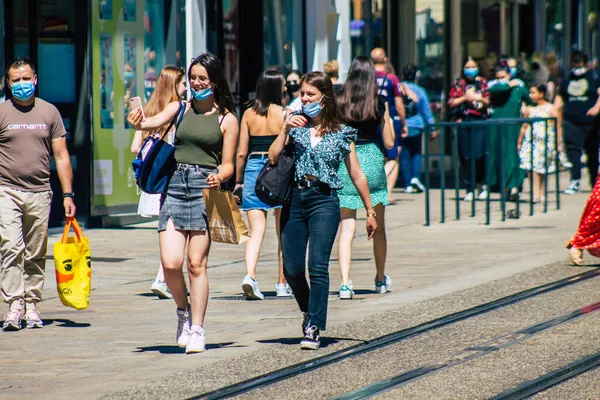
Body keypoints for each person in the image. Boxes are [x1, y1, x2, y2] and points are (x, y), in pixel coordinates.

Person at [127, 53, 239, 354]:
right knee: (171, 263)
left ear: (214, 81)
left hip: (206, 189)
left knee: (195, 263)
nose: (196, 82)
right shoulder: (179, 108)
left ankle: (198, 329)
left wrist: (219, 175)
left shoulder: (227, 118)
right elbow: (149, 123)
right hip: (176, 187)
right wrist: (138, 120)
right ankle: (183, 311)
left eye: (202, 78)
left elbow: (229, 165)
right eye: (193, 77)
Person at [268, 71, 377, 350]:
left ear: (325, 97)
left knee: (317, 266)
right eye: (302, 94)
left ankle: (314, 326)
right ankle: (309, 311)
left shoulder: (341, 132)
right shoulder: (295, 126)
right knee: (292, 269)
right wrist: (285, 131)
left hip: (324, 200)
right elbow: (272, 156)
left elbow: (357, 174)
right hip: (294, 199)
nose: (304, 99)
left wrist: (370, 211)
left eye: (310, 95)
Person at [0, 57, 76, 330]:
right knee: (10, 247)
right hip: (6, 190)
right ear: (7, 83)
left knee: (35, 251)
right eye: (15, 80)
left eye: (25, 78)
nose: (21, 84)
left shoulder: (49, 112)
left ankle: (32, 304)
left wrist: (68, 195)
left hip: (40, 192)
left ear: (35, 79)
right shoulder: (2, 113)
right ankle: (14, 304)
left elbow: (61, 155)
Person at [336, 56, 394, 299]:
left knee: (346, 227)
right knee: (377, 226)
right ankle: (380, 279)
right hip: (371, 159)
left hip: (347, 161)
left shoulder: (339, 101)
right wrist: (387, 117)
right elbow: (390, 143)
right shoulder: (378, 103)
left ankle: (346, 284)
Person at [130, 65, 188, 300]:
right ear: (175, 84)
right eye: (183, 83)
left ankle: (162, 276)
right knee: (178, 229)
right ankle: (163, 277)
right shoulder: (178, 111)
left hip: (153, 176)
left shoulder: (152, 108)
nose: (186, 88)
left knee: (167, 229)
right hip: (170, 177)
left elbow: (135, 148)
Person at [233, 70, 291, 300]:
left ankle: (250, 275)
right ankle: (281, 283)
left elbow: (241, 152)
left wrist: (238, 181)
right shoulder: (284, 113)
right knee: (282, 230)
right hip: (277, 170)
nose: (286, 88)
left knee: (255, 231)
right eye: (284, 85)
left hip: (252, 168)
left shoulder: (248, 113)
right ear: (276, 88)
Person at [554, 51, 600, 195]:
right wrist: (554, 110)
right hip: (571, 121)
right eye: (574, 64)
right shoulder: (567, 78)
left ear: (585, 64)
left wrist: (596, 108)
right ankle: (575, 180)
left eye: (579, 64)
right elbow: (560, 97)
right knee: (573, 151)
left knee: (592, 153)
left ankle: (594, 182)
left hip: (591, 123)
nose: (577, 67)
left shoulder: (594, 77)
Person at [487, 60, 531, 201]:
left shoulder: (519, 89)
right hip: (495, 128)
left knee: (512, 158)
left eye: (503, 77)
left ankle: (513, 188)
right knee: (497, 158)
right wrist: (508, 84)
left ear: (509, 74)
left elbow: (531, 100)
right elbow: (498, 89)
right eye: (498, 78)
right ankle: (504, 189)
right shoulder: (495, 88)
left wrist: (526, 108)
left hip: (513, 129)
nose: (500, 80)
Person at [449, 57, 491, 201]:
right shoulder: (459, 83)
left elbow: (488, 101)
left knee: (479, 155)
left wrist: (478, 98)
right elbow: (452, 102)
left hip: (479, 121)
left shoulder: (482, 82)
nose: (470, 69)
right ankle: (469, 188)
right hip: (464, 121)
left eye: (473, 66)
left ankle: (481, 184)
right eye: (468, 66)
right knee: (466, 156)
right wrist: (465, 98)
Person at [370, 48, 408, 202]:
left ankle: (381, 191)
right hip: (388, 121)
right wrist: (404, 123)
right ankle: (387, 192)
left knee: (378, 157)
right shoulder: (392, 78)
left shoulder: (368, 77)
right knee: (393, 157)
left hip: (371, 120)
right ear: (385, 59)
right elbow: (399, 105)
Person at [517, 84, 560, 203]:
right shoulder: (529, 109)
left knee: (543, 169)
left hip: (545, 142)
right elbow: (524, 126)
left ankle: (542, 192)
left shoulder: (551, 108)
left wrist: (558, 143)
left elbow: (557, 126)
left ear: (541, 94)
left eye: (533, 93)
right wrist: (519, 142)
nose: (530, 95)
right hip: (532, 141)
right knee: (532, 168)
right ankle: (535, 193)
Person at [400, 64, 436, 194]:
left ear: (403, 75)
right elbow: (426, 111)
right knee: (416, 152)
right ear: (415, 76)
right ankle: (415, 177)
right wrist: (432, 127)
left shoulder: (399, 88)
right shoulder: (420, 91)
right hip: (416, 125)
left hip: (402, 125)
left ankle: (407, 183)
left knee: (404, 155)